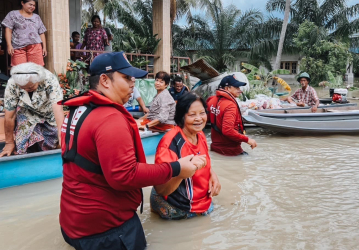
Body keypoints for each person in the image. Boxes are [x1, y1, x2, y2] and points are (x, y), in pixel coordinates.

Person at [59, 52, 206, 250]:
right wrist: (176, 168)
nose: (132, 85)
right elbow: (124, 175)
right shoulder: (110, 118)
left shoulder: (78, 109)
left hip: (72, 221)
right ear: (104, 80)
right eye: (127, 78)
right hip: (106, 230)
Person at [151, 92, 221, 220]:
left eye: (202, 113)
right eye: (192, 115)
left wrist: (213, 176)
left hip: (203, 202)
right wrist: (182, 172)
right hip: (178, 207)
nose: (199, 118)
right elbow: (161, 189)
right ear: (181, 117)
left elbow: (205, 162)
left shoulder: (200, 134)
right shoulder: (170, 144)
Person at [0, 63, 64, 157]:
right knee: (23, 143)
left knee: (54, 142)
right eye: (23, 88)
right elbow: (10, 115)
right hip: (26, 113)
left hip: (48, 113)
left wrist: (62, 138)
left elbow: (58, 109)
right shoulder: (12, 83)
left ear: (38, 80)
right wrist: (9, 142)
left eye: (30, 87)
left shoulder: (49, 79)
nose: (26, 90)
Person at [207, 75, 257, 156]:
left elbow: (205, 121)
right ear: (227, 88)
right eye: (236, 87)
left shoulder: (211, 100)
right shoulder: (230, 105)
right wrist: (247, 140)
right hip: (231, 151)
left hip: (215, 148)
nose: (240, 90)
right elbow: (228, 130)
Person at [1, 0, 47, 66]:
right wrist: (9, 45)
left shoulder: (36, 17)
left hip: (35, 47)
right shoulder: (13, 14)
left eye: (34, 5)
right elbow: (8, 30)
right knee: (20, 70)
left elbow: (41, 32)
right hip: (18, 47)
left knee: (36, 70)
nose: (32, 7)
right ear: (22, 3)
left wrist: (44, 47)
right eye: (30, 4)